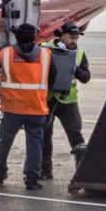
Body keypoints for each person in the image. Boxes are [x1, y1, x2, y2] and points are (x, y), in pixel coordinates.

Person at [0, 22, 51, 190]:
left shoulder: (5, 54)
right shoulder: (46, 55)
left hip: (12, 108)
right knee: (35, 145)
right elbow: (52, 78)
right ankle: (31, 180)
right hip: (36, 107)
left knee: (5, 141)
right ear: (35, 37)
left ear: (16, 36)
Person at [42, 21, 91, 180]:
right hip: (48, 99)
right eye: (71, 37)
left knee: (76, 136)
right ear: (61, 35)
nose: (74, 41)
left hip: (68, 101)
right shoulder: (46, 49)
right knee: (44, 136)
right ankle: (45, 170)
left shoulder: (79, 54)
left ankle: (82, 172)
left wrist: (76, 70)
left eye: (76, 38)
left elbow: (86, 78)